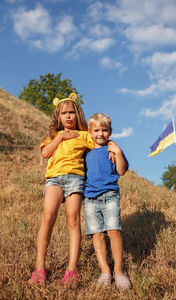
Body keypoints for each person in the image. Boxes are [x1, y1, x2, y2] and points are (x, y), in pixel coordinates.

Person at [30, 93, 94, 285]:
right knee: (48, 216)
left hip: (75, 178)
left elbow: (99, 142)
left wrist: (113, 148)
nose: (67, 116)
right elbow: (45, 152)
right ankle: (40, 267)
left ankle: (71, 270)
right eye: (63, 113)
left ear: (78, 115)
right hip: (54, 179)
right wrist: (61, 138)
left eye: (71, 113)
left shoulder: (84, 135)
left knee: (73, 219)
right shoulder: (53, 135)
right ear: (58, 117)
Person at [84, 113, 131, 290]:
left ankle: (118, 272)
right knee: (96, 234)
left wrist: (118, 152)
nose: (100, 134)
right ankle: (105, 272)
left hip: (110, 195)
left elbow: (121, 171)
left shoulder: (113, 150)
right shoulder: (87, 153)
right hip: (90, 199)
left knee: (114, 231)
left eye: (104, 130)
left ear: (110, 132)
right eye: (96, 130)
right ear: (90, 132)